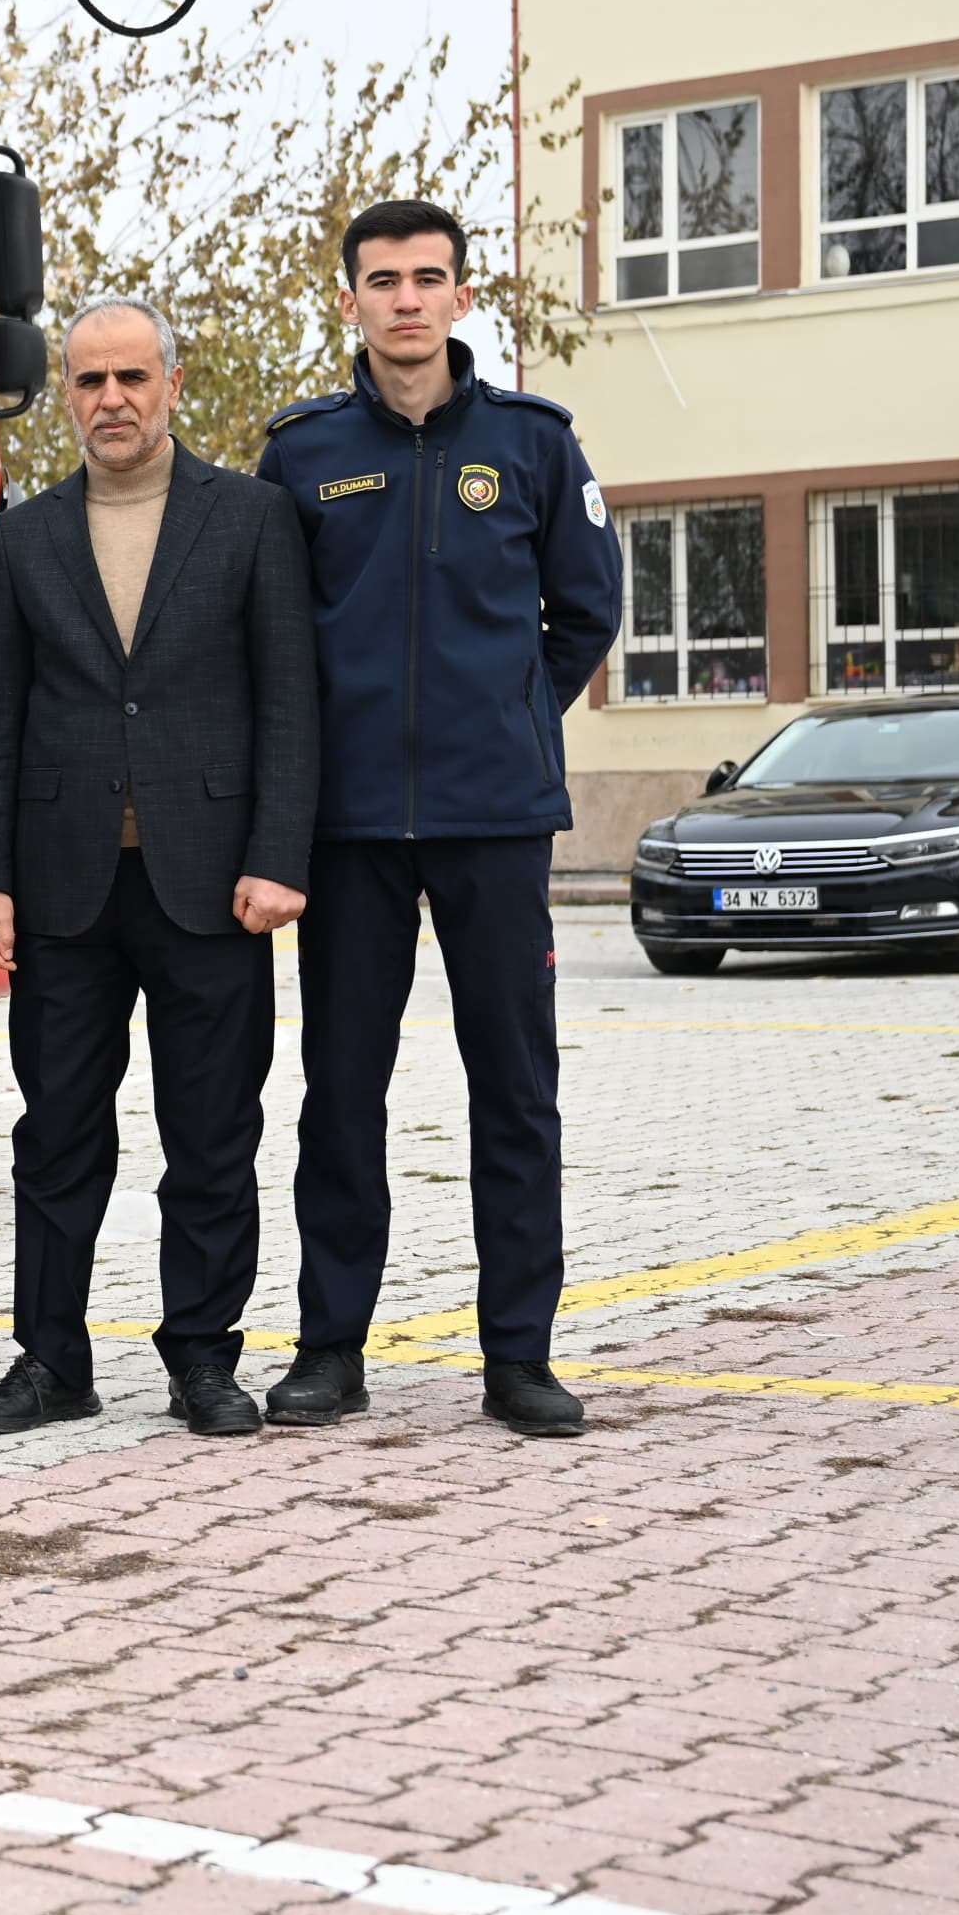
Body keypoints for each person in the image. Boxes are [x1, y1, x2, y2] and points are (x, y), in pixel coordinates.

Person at [255, 201, 623, 1438]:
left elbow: (583, 612)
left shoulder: (533, 444)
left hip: (494, 819)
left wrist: (511, 715)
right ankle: (329, 1349)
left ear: (463, 297)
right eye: (382, 281)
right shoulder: (301, 453)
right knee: (341, 1090)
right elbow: (270, 633)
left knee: (514, 1089)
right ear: (349, 299)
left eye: (429, 279)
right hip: (347, 825)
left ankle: (519, 1355)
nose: (406, 300)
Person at [0, 294, 318, 1440]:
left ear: (170, 381)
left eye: (130, 378)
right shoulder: (23, 534)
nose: (109, 400)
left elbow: (289, 706)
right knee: (56, 1138)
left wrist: (277, 856)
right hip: (62, 889)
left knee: (212, 1136)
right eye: (87, 381)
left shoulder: (252, 517)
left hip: (213, 884)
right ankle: (52, 1362)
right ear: (66, 393)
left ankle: (204, 1360)